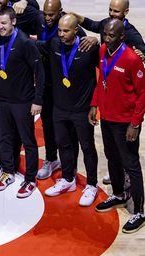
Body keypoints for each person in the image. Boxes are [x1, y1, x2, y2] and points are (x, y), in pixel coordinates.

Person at [90, 19, 145, 234]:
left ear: (122, 37)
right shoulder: (103, 51)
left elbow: (144, 93)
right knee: (112, 158)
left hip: (126, 122)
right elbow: (101, 81)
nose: (106, 38)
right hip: (107, 118)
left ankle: (139, 212)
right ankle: (119, 194)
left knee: (131, 164)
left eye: (111, 35)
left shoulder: (132, 59)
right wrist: (94, 104)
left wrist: (135, 123)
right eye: (105, 34)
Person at [40, 14, 100, 206]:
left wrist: (96, 39)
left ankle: (92, 185)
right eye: (59, 30)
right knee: (63, 145)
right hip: (59, 109)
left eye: (66, 31)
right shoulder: (54, 45)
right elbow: (31, 44)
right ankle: (68, 179)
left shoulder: (88, 48)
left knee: (87, 147)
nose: (61, 34)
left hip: (82, 110)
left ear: (76, 31)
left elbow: (106, 67)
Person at [0, 7, 44, 199]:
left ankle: (30, 178)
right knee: (4, 137)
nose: (0, 27)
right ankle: (8, 171)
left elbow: (40, 72)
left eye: (4, 23)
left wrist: (37, 100)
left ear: (13, 22)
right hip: (2, 99)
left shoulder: (25, 42)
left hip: (22, 101)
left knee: (27, 141)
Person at [73, 0, 145, 66]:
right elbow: (92, 25)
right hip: (104, 68)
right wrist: (74, 16)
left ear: (126, 12)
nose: (111, 13)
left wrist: (144, 57)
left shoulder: (131, 33)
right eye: (110, 9)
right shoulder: (106, 22)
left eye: (116, 11)